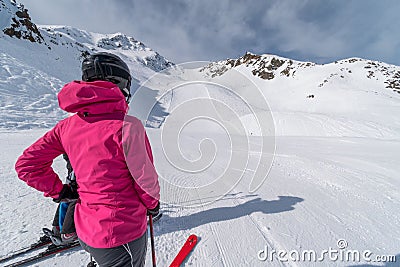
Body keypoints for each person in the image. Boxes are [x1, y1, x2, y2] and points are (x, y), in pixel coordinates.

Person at [15, 52, 160, 267]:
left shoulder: (66, 127)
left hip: (85, 230)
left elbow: (27, 164)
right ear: (120, 84)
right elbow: (144, 181)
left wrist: (62, 192)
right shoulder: (128, 126)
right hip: (122, 234)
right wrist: (153, 205)